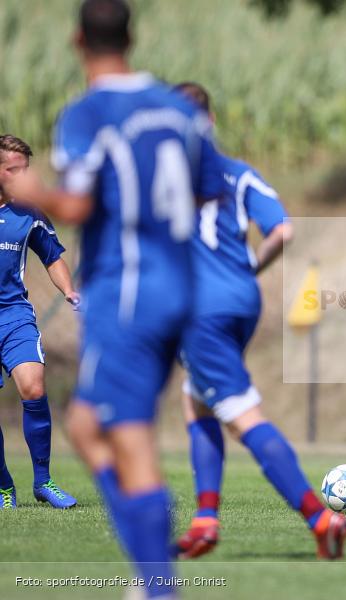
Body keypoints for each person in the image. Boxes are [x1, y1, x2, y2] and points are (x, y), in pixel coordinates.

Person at [5, 1, 224, 597]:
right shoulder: (183, 111)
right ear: (133, 37)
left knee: (124, 434)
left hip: (128, 290)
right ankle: (152, 575)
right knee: (84, 424)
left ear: (78, 41)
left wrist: (32, 190)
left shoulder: (90, 111)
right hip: (180, 287)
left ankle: (157, 583)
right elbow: (208, 194)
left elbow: (75, 205)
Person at [171, 82, 346, 560]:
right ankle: (205, 520)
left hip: (200, 310)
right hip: (242, 300)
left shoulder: (162, 179)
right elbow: (283, 231)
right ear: (210, 122)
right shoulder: (238, 173)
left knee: (240, 415)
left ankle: (321, 518)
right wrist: (249, 267)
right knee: (197, 401)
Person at [0, 135, 79, 510]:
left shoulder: (28, 213)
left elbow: (52, 256)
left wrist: (69, 290)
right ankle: (3, 488)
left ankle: (43, 481)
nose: (20, 176)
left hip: (14, 315)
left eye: (24, 170)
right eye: (12, 169)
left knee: (33, 387)